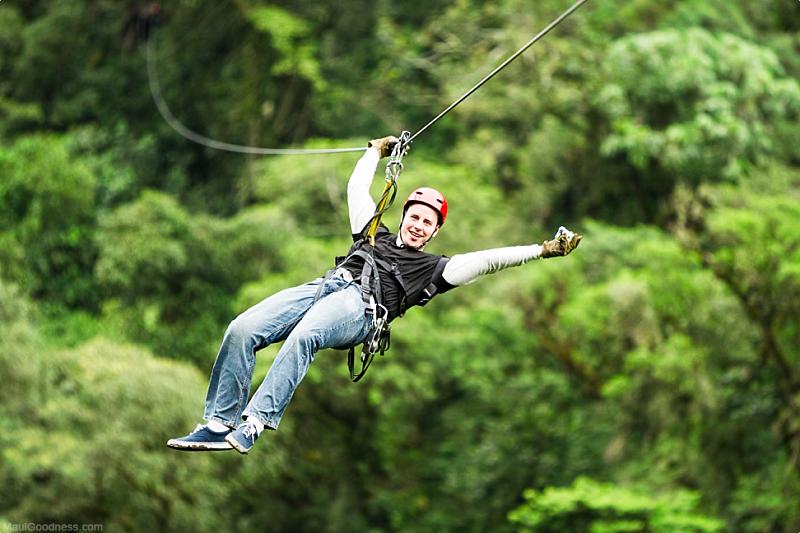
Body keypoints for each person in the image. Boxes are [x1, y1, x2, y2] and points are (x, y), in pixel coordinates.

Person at [167, 135, 582, 454]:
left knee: (305, 336)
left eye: (428, 223)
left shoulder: (435, 269)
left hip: (362, 309)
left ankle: (254, 422)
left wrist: (542, 250)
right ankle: (219, 424)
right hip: (325, 287)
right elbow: (355, 190)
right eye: (415, 217)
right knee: (243, 328)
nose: (419, 225)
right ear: (404, 217)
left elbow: (489, 260)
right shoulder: (371, 232)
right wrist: (374, 152)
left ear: (436, 232)